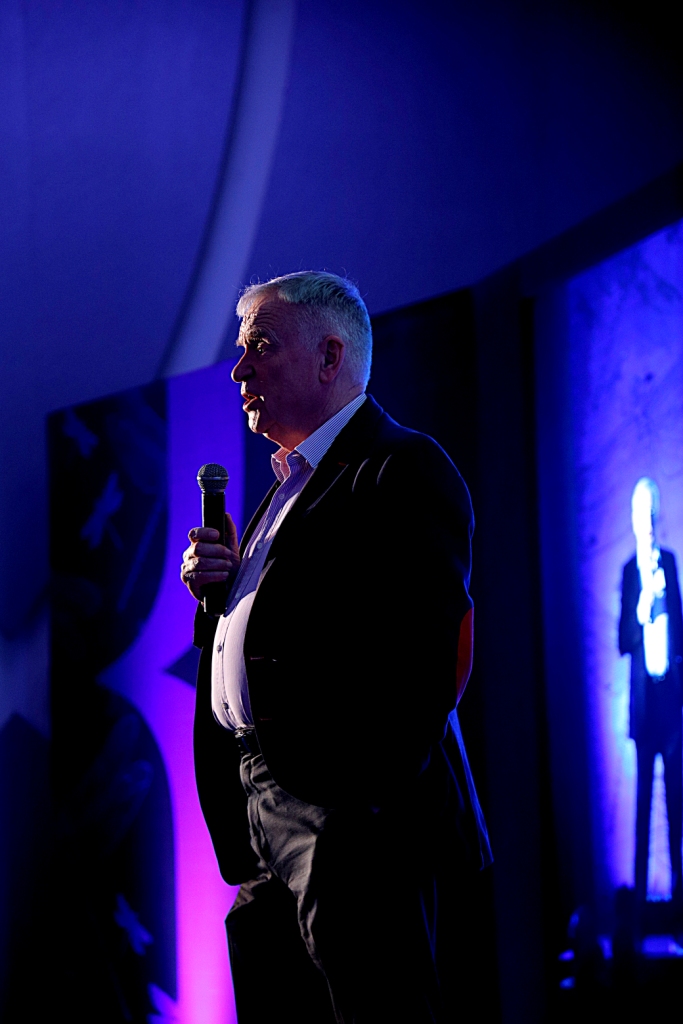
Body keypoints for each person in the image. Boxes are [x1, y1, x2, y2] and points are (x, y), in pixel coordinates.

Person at [180, 271, 491, 1023]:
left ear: (329, 357)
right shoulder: (285, 489)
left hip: (343, 814)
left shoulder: (400, 467)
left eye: (260, 346)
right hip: (260, 811)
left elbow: (426, 664)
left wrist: (353, 810)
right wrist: (221, 597)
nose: (239, 370)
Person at [619, 477, 683, 923]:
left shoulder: (671, 564)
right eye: (642, 513)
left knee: (675, 807)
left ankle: (679, 908)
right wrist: (642, 609)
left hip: (670, 707)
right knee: (643, 810)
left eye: (653, 512)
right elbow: (622, 640)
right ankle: (640, 916)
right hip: (644, 712)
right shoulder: (629, 573)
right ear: (633, 518)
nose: (649, 521)